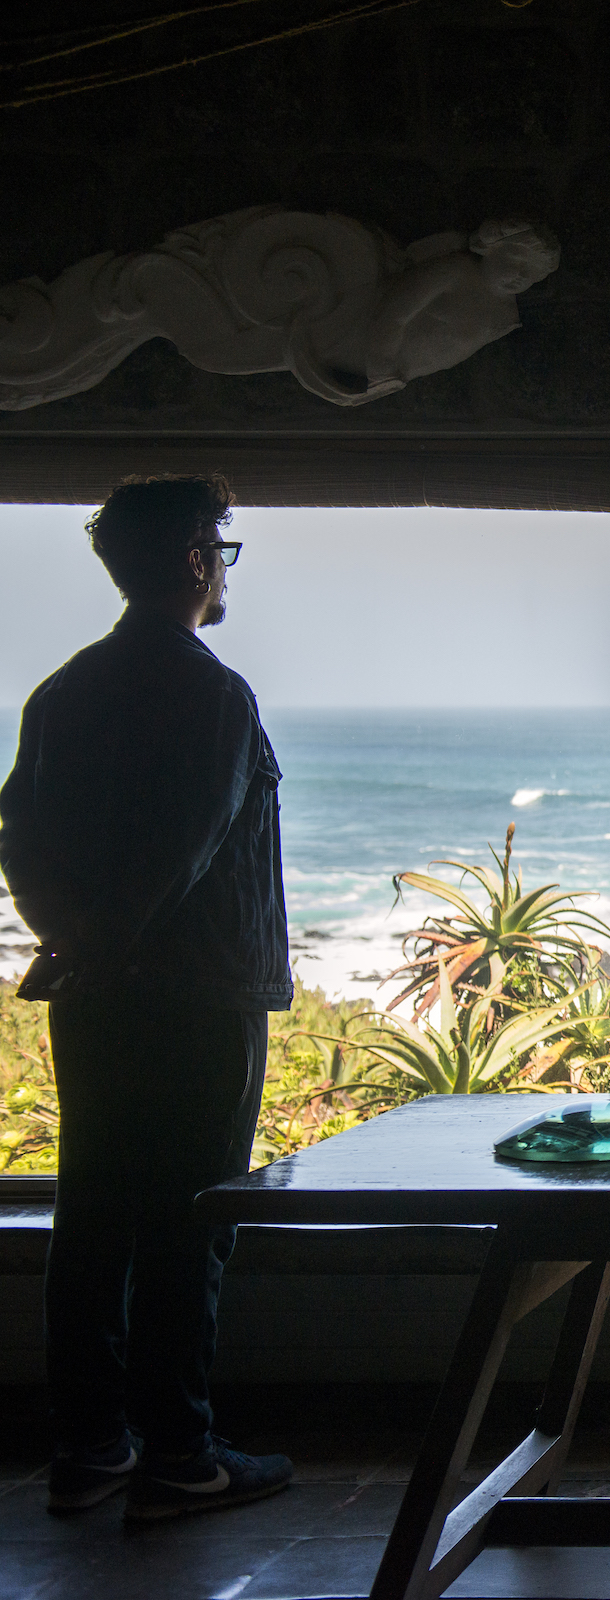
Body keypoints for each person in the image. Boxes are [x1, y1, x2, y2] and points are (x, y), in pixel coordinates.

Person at [0, 474, 296, 1518]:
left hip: (88, 991)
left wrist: (72, 940)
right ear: (193, 560)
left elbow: (19, 842)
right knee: (189, 1220)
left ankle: (90, 1447)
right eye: (224, 547)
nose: (225, 567)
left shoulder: (65, 689)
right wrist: (118, 938)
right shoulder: (211, 692)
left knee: (92, 1216)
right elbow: (188, 847)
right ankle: (181, 1450)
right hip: (201, 998)